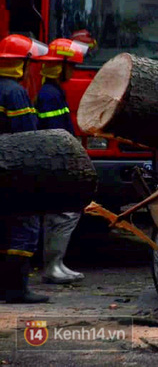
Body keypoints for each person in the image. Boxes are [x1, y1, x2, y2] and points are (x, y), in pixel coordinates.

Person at [0, 34, 50, 303]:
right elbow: (27, 136)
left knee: (3, 227)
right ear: (21, 63)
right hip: (15, 169)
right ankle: (17, 289)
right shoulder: (15, 92)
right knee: (25, 226)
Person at [34, 38, 88, 284]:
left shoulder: (52, 91)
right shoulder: (49, 94)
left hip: (58, 160)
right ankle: (52, 266)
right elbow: (56, 132)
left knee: (63, 214)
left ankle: (56, 264)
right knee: (63, 214)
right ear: (60, 66)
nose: (74, 71)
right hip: (57, 162)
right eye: (72, 67)